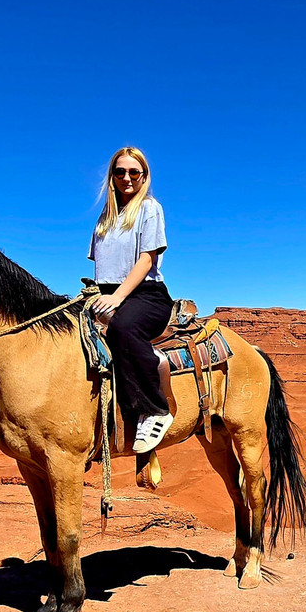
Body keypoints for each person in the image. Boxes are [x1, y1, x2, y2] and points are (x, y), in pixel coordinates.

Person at [87, 147, 174, 453]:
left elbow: (147, 260)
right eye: (120, 171)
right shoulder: (105, 218)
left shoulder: (150, 208)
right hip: (108, 293)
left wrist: (117, 298)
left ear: (143, 176)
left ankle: (154, 410)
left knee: (123, 330)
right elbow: (103, 269)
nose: (127, 178)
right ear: (112, 176)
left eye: (134, 172)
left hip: (146, 294)